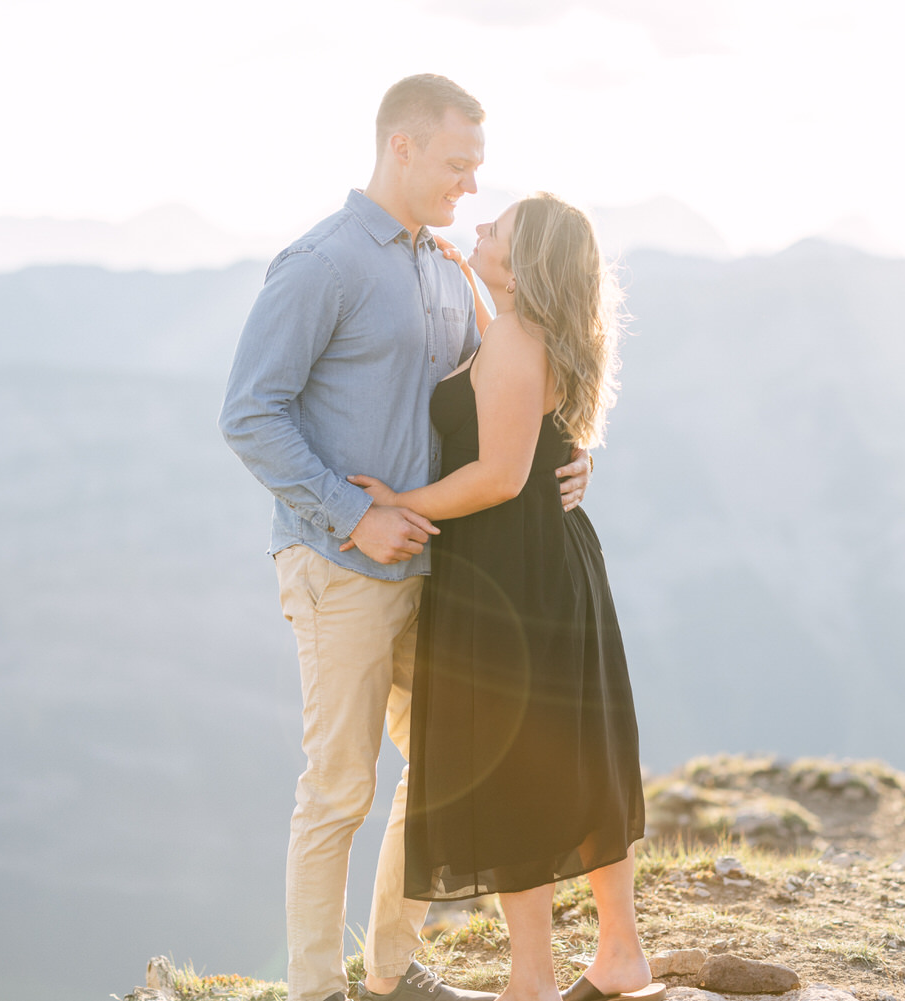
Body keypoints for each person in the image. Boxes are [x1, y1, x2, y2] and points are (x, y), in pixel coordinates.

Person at [218, 77, 591, 1001]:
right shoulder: (323, 264)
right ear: (404, 148)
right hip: (338, 566)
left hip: (440, 565)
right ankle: (314, 988)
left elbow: (497, 401)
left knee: (444, 767)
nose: (470, 187)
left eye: (477, 169)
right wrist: (354, 515)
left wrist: (571, 457)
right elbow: (248, 413)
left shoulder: (445, 268)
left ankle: (389, 969)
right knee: (339, 788)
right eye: (459, 165)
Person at [346, 194, 659, 1001]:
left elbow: (500, 475)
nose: (479, 228)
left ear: (526, 266)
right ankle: (619, 953)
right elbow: (511, 394)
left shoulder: (519, 338)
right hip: (547, 566)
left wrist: (397, 502)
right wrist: (476, 282)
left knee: (520, 766)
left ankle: (533, 981)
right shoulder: (531, 329)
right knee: (576, 753)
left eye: (499, 230)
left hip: (511, 576)